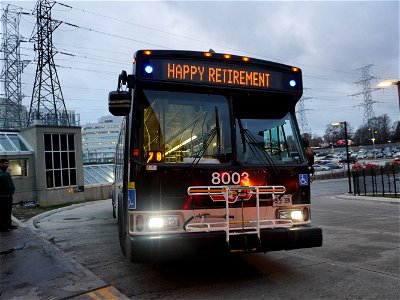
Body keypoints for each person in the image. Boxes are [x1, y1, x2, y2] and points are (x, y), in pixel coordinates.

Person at [0, 159, 16, 232]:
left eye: (8, 163)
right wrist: (8, 173)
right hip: (3, 196)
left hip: (9, 195)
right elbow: (2, 179)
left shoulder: (5, 172)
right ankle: (3, 226)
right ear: (1, 164)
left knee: (8, 211)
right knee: (3, 212)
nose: (8, 165)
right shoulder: (3, 173)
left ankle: (8, 224)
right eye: (6, 163)